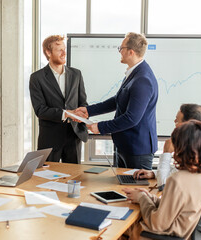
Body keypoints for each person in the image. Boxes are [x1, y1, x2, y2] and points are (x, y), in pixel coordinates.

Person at [133, 103, 201, 228]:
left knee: (133, 222)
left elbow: (164, 186)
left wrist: (166, 153)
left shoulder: (182, 176)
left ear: (189, 125)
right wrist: (153, 175)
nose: (174, 121)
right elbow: (182, 177)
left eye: (177, 120)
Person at [123, 120, 201, 239]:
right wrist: (150, 198)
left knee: (121, 226)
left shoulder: (178, 180)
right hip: (187, 233)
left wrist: (142, 198)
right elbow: (182, 208)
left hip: (167, 235)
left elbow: (157, 224)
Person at [75, 32, 158, 169]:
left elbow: (132, 118)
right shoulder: (134, 73)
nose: (120, 52)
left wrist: (100, 127)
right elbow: (117, 100)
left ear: (130, 52)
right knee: (121, 187)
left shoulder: (142, 79)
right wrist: (89, 110)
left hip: (137, 149)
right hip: (125, 145)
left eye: (121, 48)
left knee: (135, 188)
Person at [29, 35, 88, 164]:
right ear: (48, 52)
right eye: (59, 50)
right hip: (50, 138)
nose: (64, 53)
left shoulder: (76, 74)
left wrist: (83, 115)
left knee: (74, 179)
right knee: (46, 180)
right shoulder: (37, 78)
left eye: (64, 49)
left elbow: (83, 102)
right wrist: (66, 113)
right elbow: (40, 110)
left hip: (74, 136)